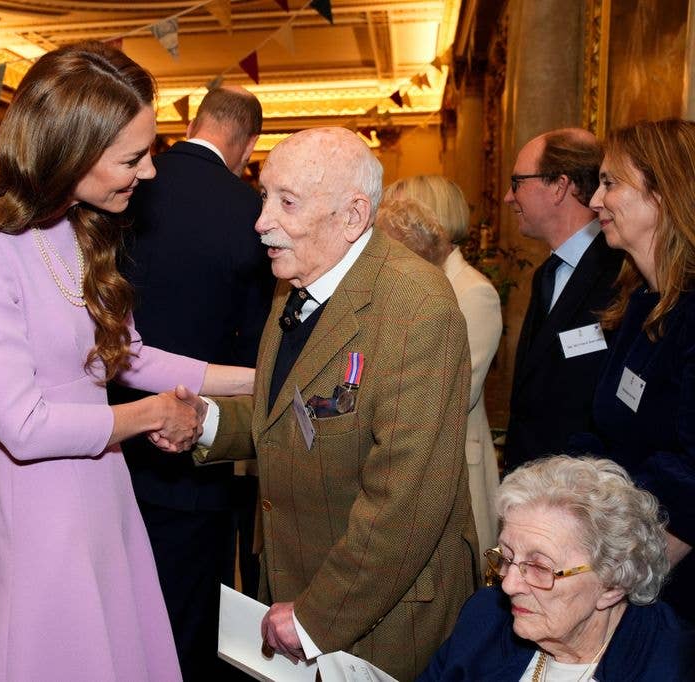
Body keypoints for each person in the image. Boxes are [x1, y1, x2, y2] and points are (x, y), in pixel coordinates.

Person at [0, 41, 254, 681]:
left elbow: (129, 357)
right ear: (72, 151)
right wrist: (150, 417)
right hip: (43, 505)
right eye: (132, 157)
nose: (149, 172)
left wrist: (265, 379)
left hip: (102, 484)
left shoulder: (75, 225)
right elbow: (23, 424)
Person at [193, 127, 477, 681]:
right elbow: (298, 414)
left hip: (381, 619)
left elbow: (407, 500)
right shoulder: (297, 282)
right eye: (264, 196)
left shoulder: (415, 306)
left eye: (287, 202)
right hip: (296, 582)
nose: (261, 221)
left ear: (352, 216)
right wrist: (206, 423)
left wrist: (315, 619)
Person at [111, 84, 273, 679]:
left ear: (195, 120)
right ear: (247, 141)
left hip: (103, 443)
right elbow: (259, 337)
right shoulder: (249, 209)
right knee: (186, 608)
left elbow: (125, 346)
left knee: (119, 600)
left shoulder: (123, 189)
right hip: (200, 442)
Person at [419, 456, 689, 680]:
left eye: (538, 567)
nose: (508, 584)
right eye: (508, 556)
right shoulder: (485, 618)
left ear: (612, 584)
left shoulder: (673, 666)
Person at [585, 118, 695, 623]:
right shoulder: (642, 305)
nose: (594, 201)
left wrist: (624, 584)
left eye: (610, 183)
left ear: (664, 191)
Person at [382, 176, 503, 553]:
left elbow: (454, 394)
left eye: (400, 215)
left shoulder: (473, 291)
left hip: (453, 474)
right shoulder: (407, 283)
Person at [504, 129, 624, 470]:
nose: (508, 198)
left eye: (517, 183)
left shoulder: (623, 275)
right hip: (532, 483)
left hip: (584, 494)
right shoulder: (547, 273)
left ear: (559, 185)